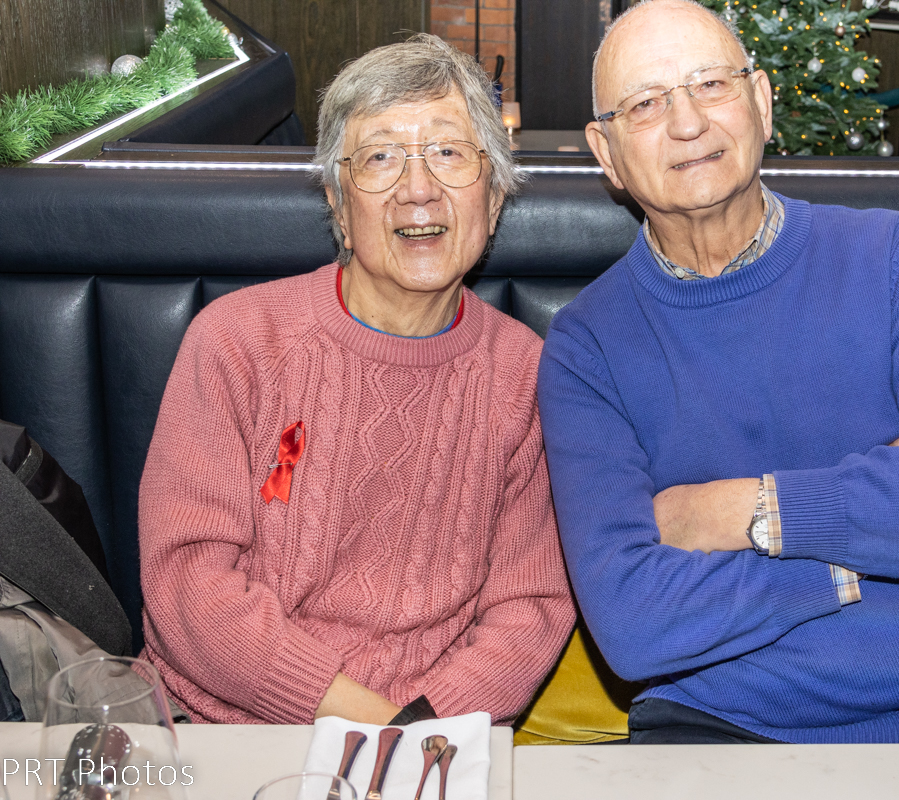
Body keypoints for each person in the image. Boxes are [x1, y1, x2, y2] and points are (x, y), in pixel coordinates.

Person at [537, 0, 899, 744]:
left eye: (712, 84)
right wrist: (851, 560)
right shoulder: (587, 347)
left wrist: (741, 511)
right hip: (711, 733)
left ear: (762, 103)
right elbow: (633, 622)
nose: (688, 123)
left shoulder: (895, 258)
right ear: (606, 153)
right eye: (646, 103)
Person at [138, 35, 574, 725]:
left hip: (433, 737)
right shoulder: (236, 342)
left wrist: (418, 737)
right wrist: (373, 727)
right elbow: (188, 581)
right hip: (217, 729)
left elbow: (530, 610)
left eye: (448, 153)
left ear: (493, 200)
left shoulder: (529, 379)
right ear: (339, 208)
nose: (418, 189)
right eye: (380, 158)